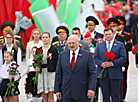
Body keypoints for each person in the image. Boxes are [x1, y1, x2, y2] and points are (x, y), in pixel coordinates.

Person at [54, 35, 97, 102]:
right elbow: (58, 73)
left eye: (73, 43)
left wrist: (92, 88)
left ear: (78, 42)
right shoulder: (62, 55)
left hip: (83, 92)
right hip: (66, 93)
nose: (71, 45)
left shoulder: (87, 55)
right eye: (69, 43)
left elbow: (93, 73)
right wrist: (57, 90)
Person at [94, 27, 127, 102]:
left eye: (109, 34)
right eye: (106, 34)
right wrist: (101, 64)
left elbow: (123, 58)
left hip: (115, 74)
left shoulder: (120, 45)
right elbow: (95, 58)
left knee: (116, 96)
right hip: (103, 74)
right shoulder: (100, 45)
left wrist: (112, 63)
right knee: (105, 96)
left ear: (113, 34)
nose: (108, 36)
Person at [35, 32, 58, 102]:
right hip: (42, 73)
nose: (45, 39)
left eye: (46, 37)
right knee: (44, 94)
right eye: (43, 37)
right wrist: (37, 66)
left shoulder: (53, 49)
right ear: (41, 39)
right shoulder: (38, 50)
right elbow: (36, 61)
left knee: (50, 94)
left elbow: (56, 61)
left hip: (50, 72)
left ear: (49, 38)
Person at [86, 16, 104, 102]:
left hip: (97, 63)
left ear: (95, 26)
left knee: (97, 82)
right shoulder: (84, 35)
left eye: (91, 25)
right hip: (87, 63)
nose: (89, 27)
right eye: (88, 25)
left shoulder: (100, 36)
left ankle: (96, 99)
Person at [115, 15, 132, 101]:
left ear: (123, 25)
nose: (118, 26)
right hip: (112, 60)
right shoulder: (112, 35)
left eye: (120, 24)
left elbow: (129, 47)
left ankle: (122, 97)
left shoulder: (126, 35)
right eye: (116, 24)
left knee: (122, 79)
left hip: (123, 61)